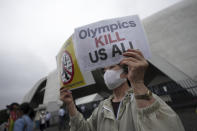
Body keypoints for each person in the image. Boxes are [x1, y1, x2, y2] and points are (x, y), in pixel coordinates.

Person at [60, 49, 185, 131]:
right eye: (104, 71)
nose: (106, 73)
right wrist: (70, 104)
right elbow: (84, 129)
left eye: (111, 67)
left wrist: (137, 82)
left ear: (125, 73)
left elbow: (165, 125)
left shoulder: (143, 96)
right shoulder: (102, 107)